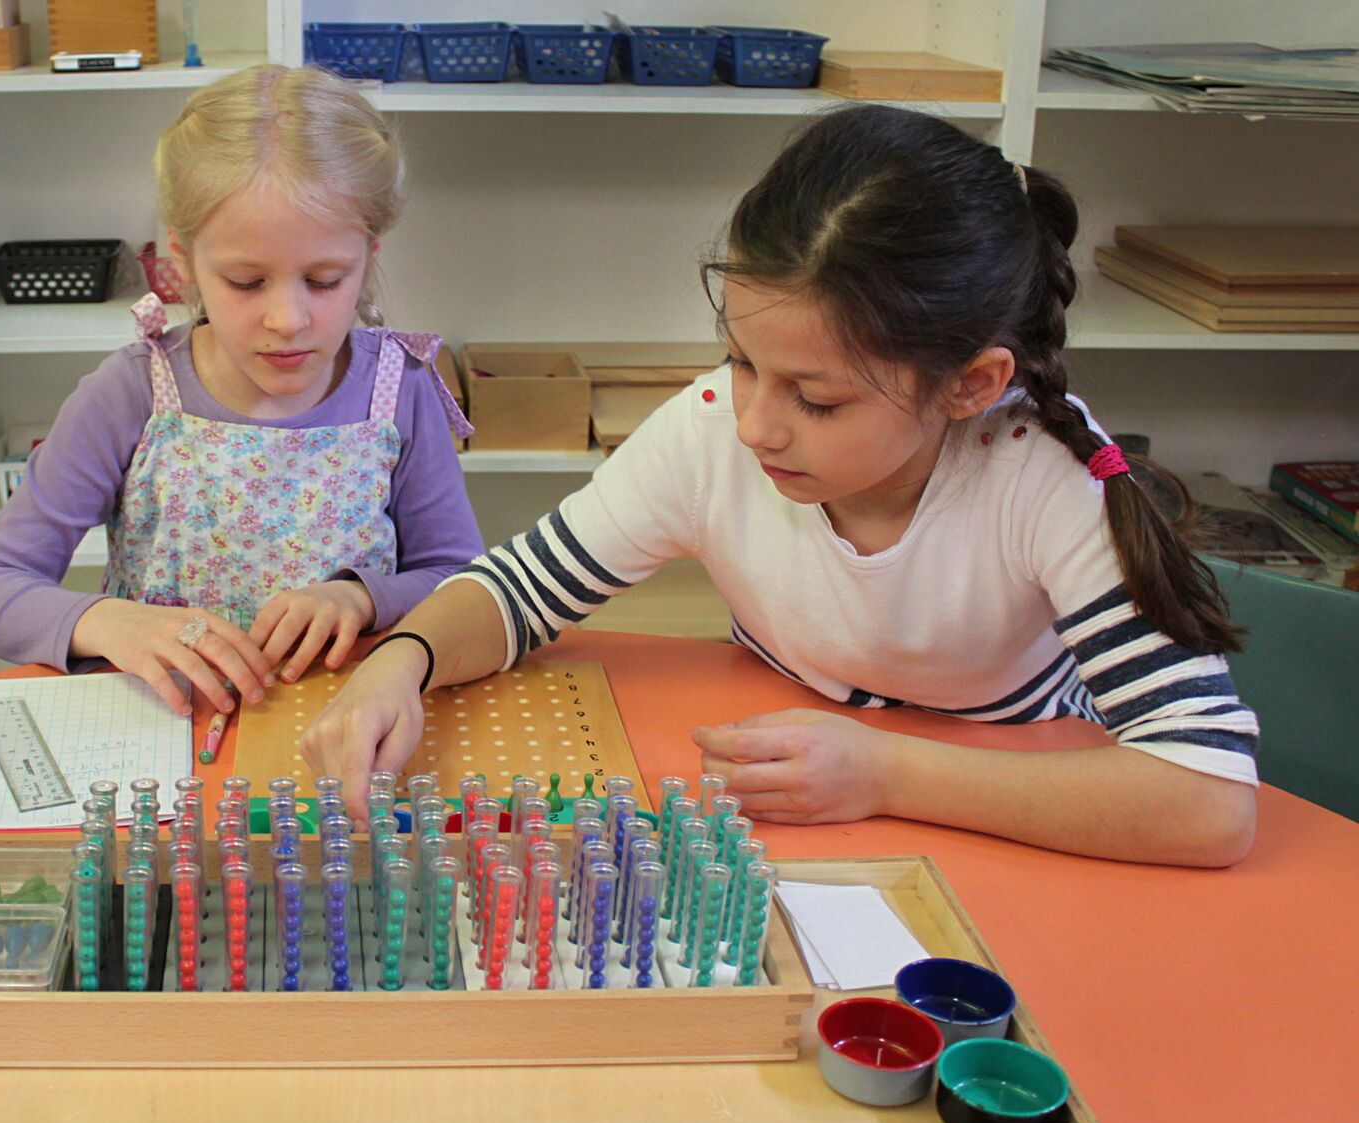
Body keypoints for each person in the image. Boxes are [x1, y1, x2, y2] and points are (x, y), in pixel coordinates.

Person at [303, 105, 1257, 867]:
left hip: (1022, 822)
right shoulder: (718, 426)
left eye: (820, 400)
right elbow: (517, 593)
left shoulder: (1044, 477)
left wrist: (887, 774)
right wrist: (403, 664)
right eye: (742, 360)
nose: (754, 421)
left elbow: (1207, 802)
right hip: (808, 813)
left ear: (972, 385)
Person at [0, 65, 483, 717]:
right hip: (161, 735)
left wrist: (364, 598)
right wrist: (110, 622)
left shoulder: (399, 388)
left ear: (368, 258)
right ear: (182, 261)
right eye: (245, 282)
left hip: (337, 730)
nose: (287, 319)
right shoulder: (133, 393)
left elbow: (462, 584)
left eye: (324, 280)